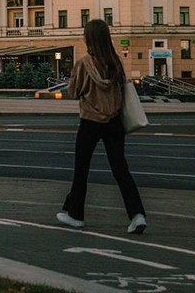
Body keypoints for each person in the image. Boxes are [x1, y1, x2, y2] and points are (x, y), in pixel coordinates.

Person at [57, 18, 147, 234]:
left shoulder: (84, 63)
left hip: (90, 121)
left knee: (82, 168)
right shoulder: (115, 62)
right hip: (114, 122)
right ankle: (137, 215)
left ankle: (76, 214)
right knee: (120, 169)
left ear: (88, 39)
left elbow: (74, 91)